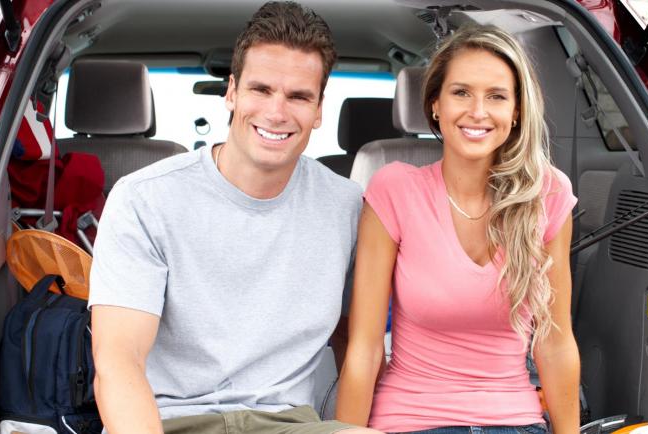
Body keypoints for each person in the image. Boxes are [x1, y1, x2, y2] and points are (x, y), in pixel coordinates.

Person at [88, 3, 378, 433]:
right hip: (173, 422)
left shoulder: (348, 205)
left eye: (299, 96)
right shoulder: (144, 200)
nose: (277, 113)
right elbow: (119, 363)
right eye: (261, 90)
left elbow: (360, 340)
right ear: (232, 92)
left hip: (291, 424)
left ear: (319, 110)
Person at [335, 25, 580, 434]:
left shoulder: (547, 194)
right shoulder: (394, 189)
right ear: (434, 104)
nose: (478, 111)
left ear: (517, 110)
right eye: (461, 92)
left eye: (497, 96)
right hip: (411, 420)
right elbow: (365, 348)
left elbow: (555, 344)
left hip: (514, 422)